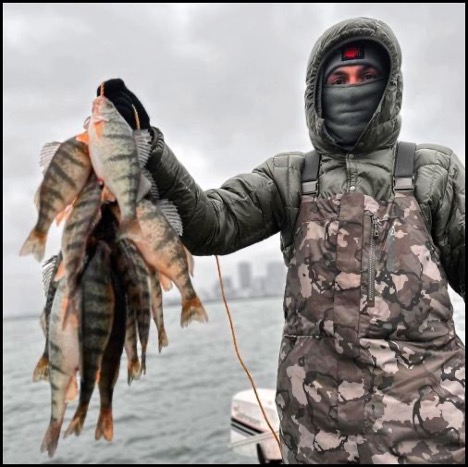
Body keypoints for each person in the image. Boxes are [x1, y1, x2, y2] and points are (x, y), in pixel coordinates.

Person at [100, 16, 465, 464]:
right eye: (340, 78)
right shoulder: (290, 177)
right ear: (317, 92)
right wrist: (148, 147)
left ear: (391, 86)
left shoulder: (435, 170)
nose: (352, 88)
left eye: (367, 76)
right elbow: (212, 222)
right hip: (314, 443)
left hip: (432, 444)